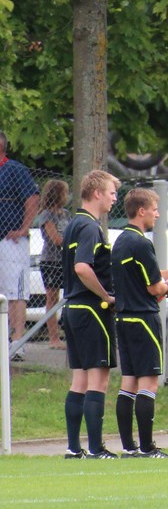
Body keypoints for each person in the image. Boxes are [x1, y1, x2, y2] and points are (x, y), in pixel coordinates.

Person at [60, 170, 120, 458]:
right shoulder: (90, 228)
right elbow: (82, 267)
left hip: (72, 307)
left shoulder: (73, 224)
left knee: (79, 380)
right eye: (111, 192)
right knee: (98, 379)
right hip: (90, 308)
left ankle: (74, 447)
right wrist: (105, 295)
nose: (114, 198)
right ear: (97, 193)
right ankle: (96, 448)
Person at [110, 188, 168, 457]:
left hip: (124, 318)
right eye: (155, 209)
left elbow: (137, 276)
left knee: (129, 382)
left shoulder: (121, 240)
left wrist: (165, 276)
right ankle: (147, 447)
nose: (158, 214)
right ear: (142, 211)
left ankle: (128, 446)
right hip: (144, 318)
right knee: (148, 382)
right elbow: (153, 287)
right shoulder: (142, 243)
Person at [0, 129, 41, 354]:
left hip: (9, 240)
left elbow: (32, 197)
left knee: (15, 291)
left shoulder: (15, 170)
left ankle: (17, 341)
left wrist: (24, 228)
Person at [35, 178, 70, 348]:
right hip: (51, 260)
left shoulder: (66, 213)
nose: (67, 196)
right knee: (52, 298)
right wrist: (71, 242)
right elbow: (56, 239)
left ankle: (68, 331)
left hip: (66, 260)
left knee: (70, 295)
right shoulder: (46, 215)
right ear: (57, 194)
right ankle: (53, 338)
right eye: (65, 192)